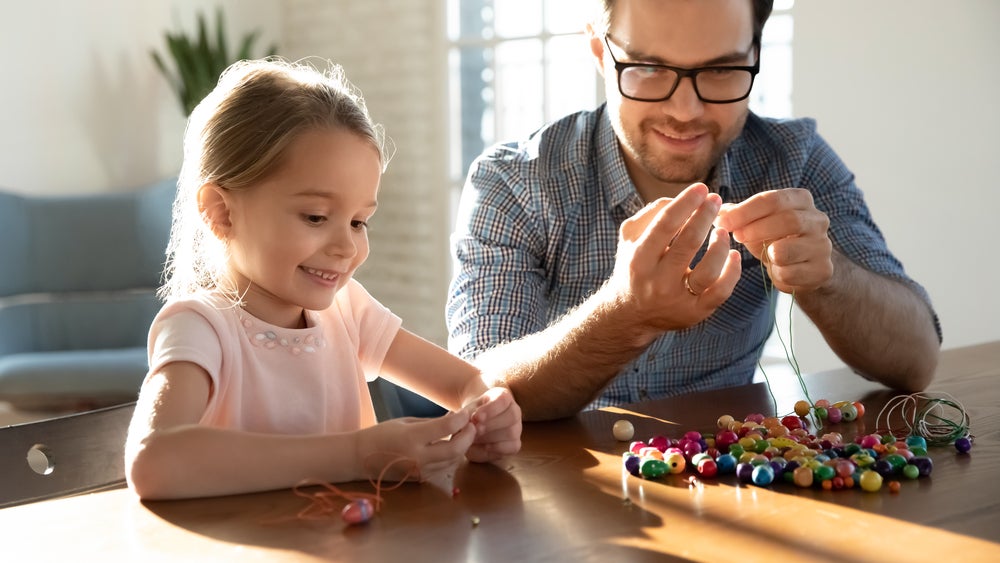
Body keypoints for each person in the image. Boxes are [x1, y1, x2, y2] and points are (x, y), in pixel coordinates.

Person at [447, 0, 941, 421]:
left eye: (720, 69)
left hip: (732, 479)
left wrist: (829, 279)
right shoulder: (515, 181)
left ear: (756, 55)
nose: (684, 111)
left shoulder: (794, 159)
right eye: (649, 67)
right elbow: (476, 390)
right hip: (547, 499)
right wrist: (626, 315)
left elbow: (916, 362)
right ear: (601, 52)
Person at [125, 58, 521, 500]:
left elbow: (465, 383)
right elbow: (153, 461)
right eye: (315, 216)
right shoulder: (200, 328)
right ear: (221, 212)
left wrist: (489, 411)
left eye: (358, 222)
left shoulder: (347, 308)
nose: (347, 248)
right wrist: (356, 455)